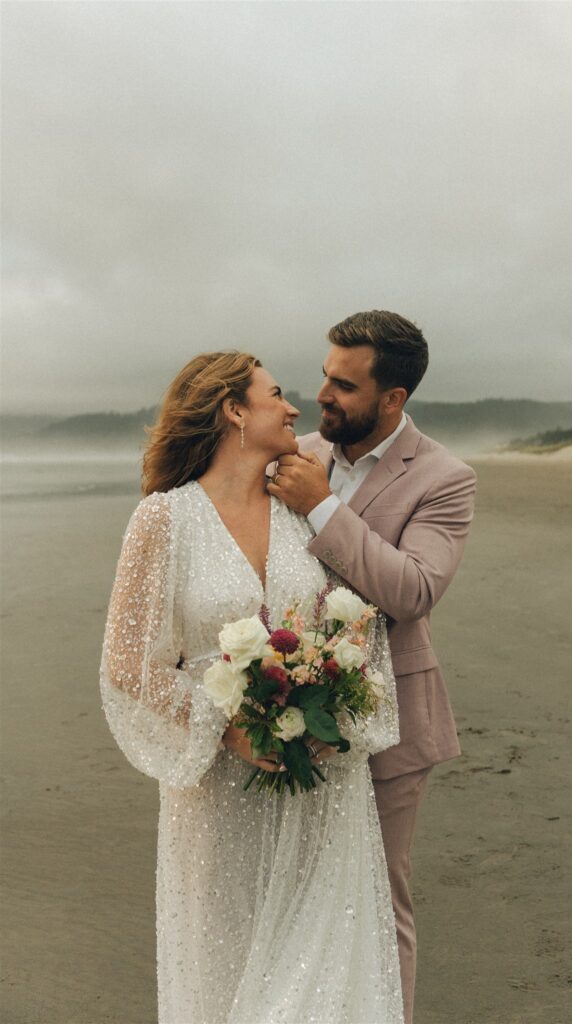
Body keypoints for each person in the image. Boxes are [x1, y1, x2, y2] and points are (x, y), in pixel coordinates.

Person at [99, 351, 404, 1024]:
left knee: (319, 963)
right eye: (275, 395)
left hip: (322, 781)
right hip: (216, 788)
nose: (295, 408)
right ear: (234, 410)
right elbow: (128, 663)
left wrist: (333, 702)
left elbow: (353, 628)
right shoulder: (163, 518)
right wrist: (227, 725)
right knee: (227, 962)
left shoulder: (300, 510)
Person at [268, 310, 477, 1024]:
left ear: (393, 398)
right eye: (325, 376)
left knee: (378, 897)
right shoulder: (296, 451)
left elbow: (414, 591)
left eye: (344, 386)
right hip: (290, 712)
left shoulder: (445, 478)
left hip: (390, 718)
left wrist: (322, 509)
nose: (323, 394)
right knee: (296, 889)